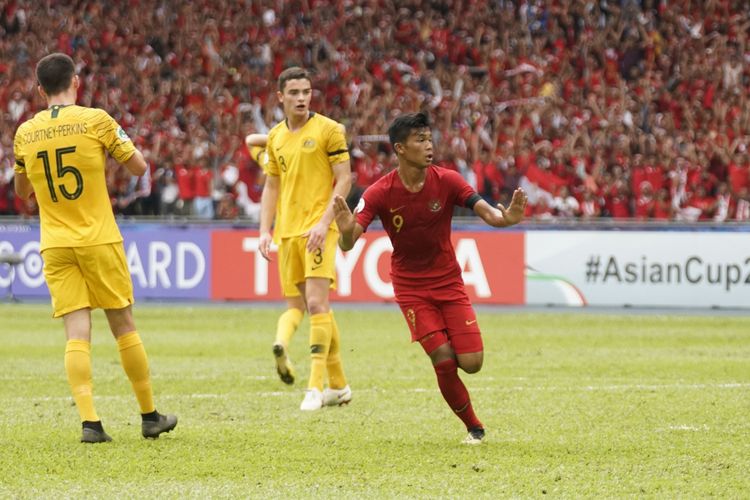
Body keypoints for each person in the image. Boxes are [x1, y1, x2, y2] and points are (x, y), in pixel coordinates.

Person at [332, 112, 528, 444]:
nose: (428, 146)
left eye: (429, 139)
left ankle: (472, 422)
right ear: (400, 148)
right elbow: (348, 243)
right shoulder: (380, 192)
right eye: (420, 140)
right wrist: (344, 229)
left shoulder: (448, 180)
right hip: (410, 288)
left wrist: (506, 218)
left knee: (472, 362)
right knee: (443, 356)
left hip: (449, 282)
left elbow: (486, 211)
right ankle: (474, 428)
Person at [12, 53, 177, 443]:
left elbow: (22, 190)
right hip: (98, 237)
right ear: (76, 83)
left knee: (76, 331)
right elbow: (138, 167)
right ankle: (149, 416)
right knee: (122, 324)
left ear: (39, 91)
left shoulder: (24, 132)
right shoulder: (95, 120)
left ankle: (90, 423)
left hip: (55, 243)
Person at [259, 66, 352, 411]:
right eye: (294, 93)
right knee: (309, 307)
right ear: (281, 97)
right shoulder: (275, 137)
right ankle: (339, 386)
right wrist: (264, 231)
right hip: (288, 232)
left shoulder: (330, 130)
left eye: (306, 92)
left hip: (320, 229)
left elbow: (344, 180)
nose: (302, 98)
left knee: (314, 303)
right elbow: (271, 185)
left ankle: (314, 387)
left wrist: (324, 221)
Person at [246, 132, 304, 385]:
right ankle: (332, 382)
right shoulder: (306, 151)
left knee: (295, 308)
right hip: (314, 231)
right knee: (320, 307)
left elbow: (249, 140)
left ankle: (282, 340)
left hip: (285, 234)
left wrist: (275, 136)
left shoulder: (273, 157)